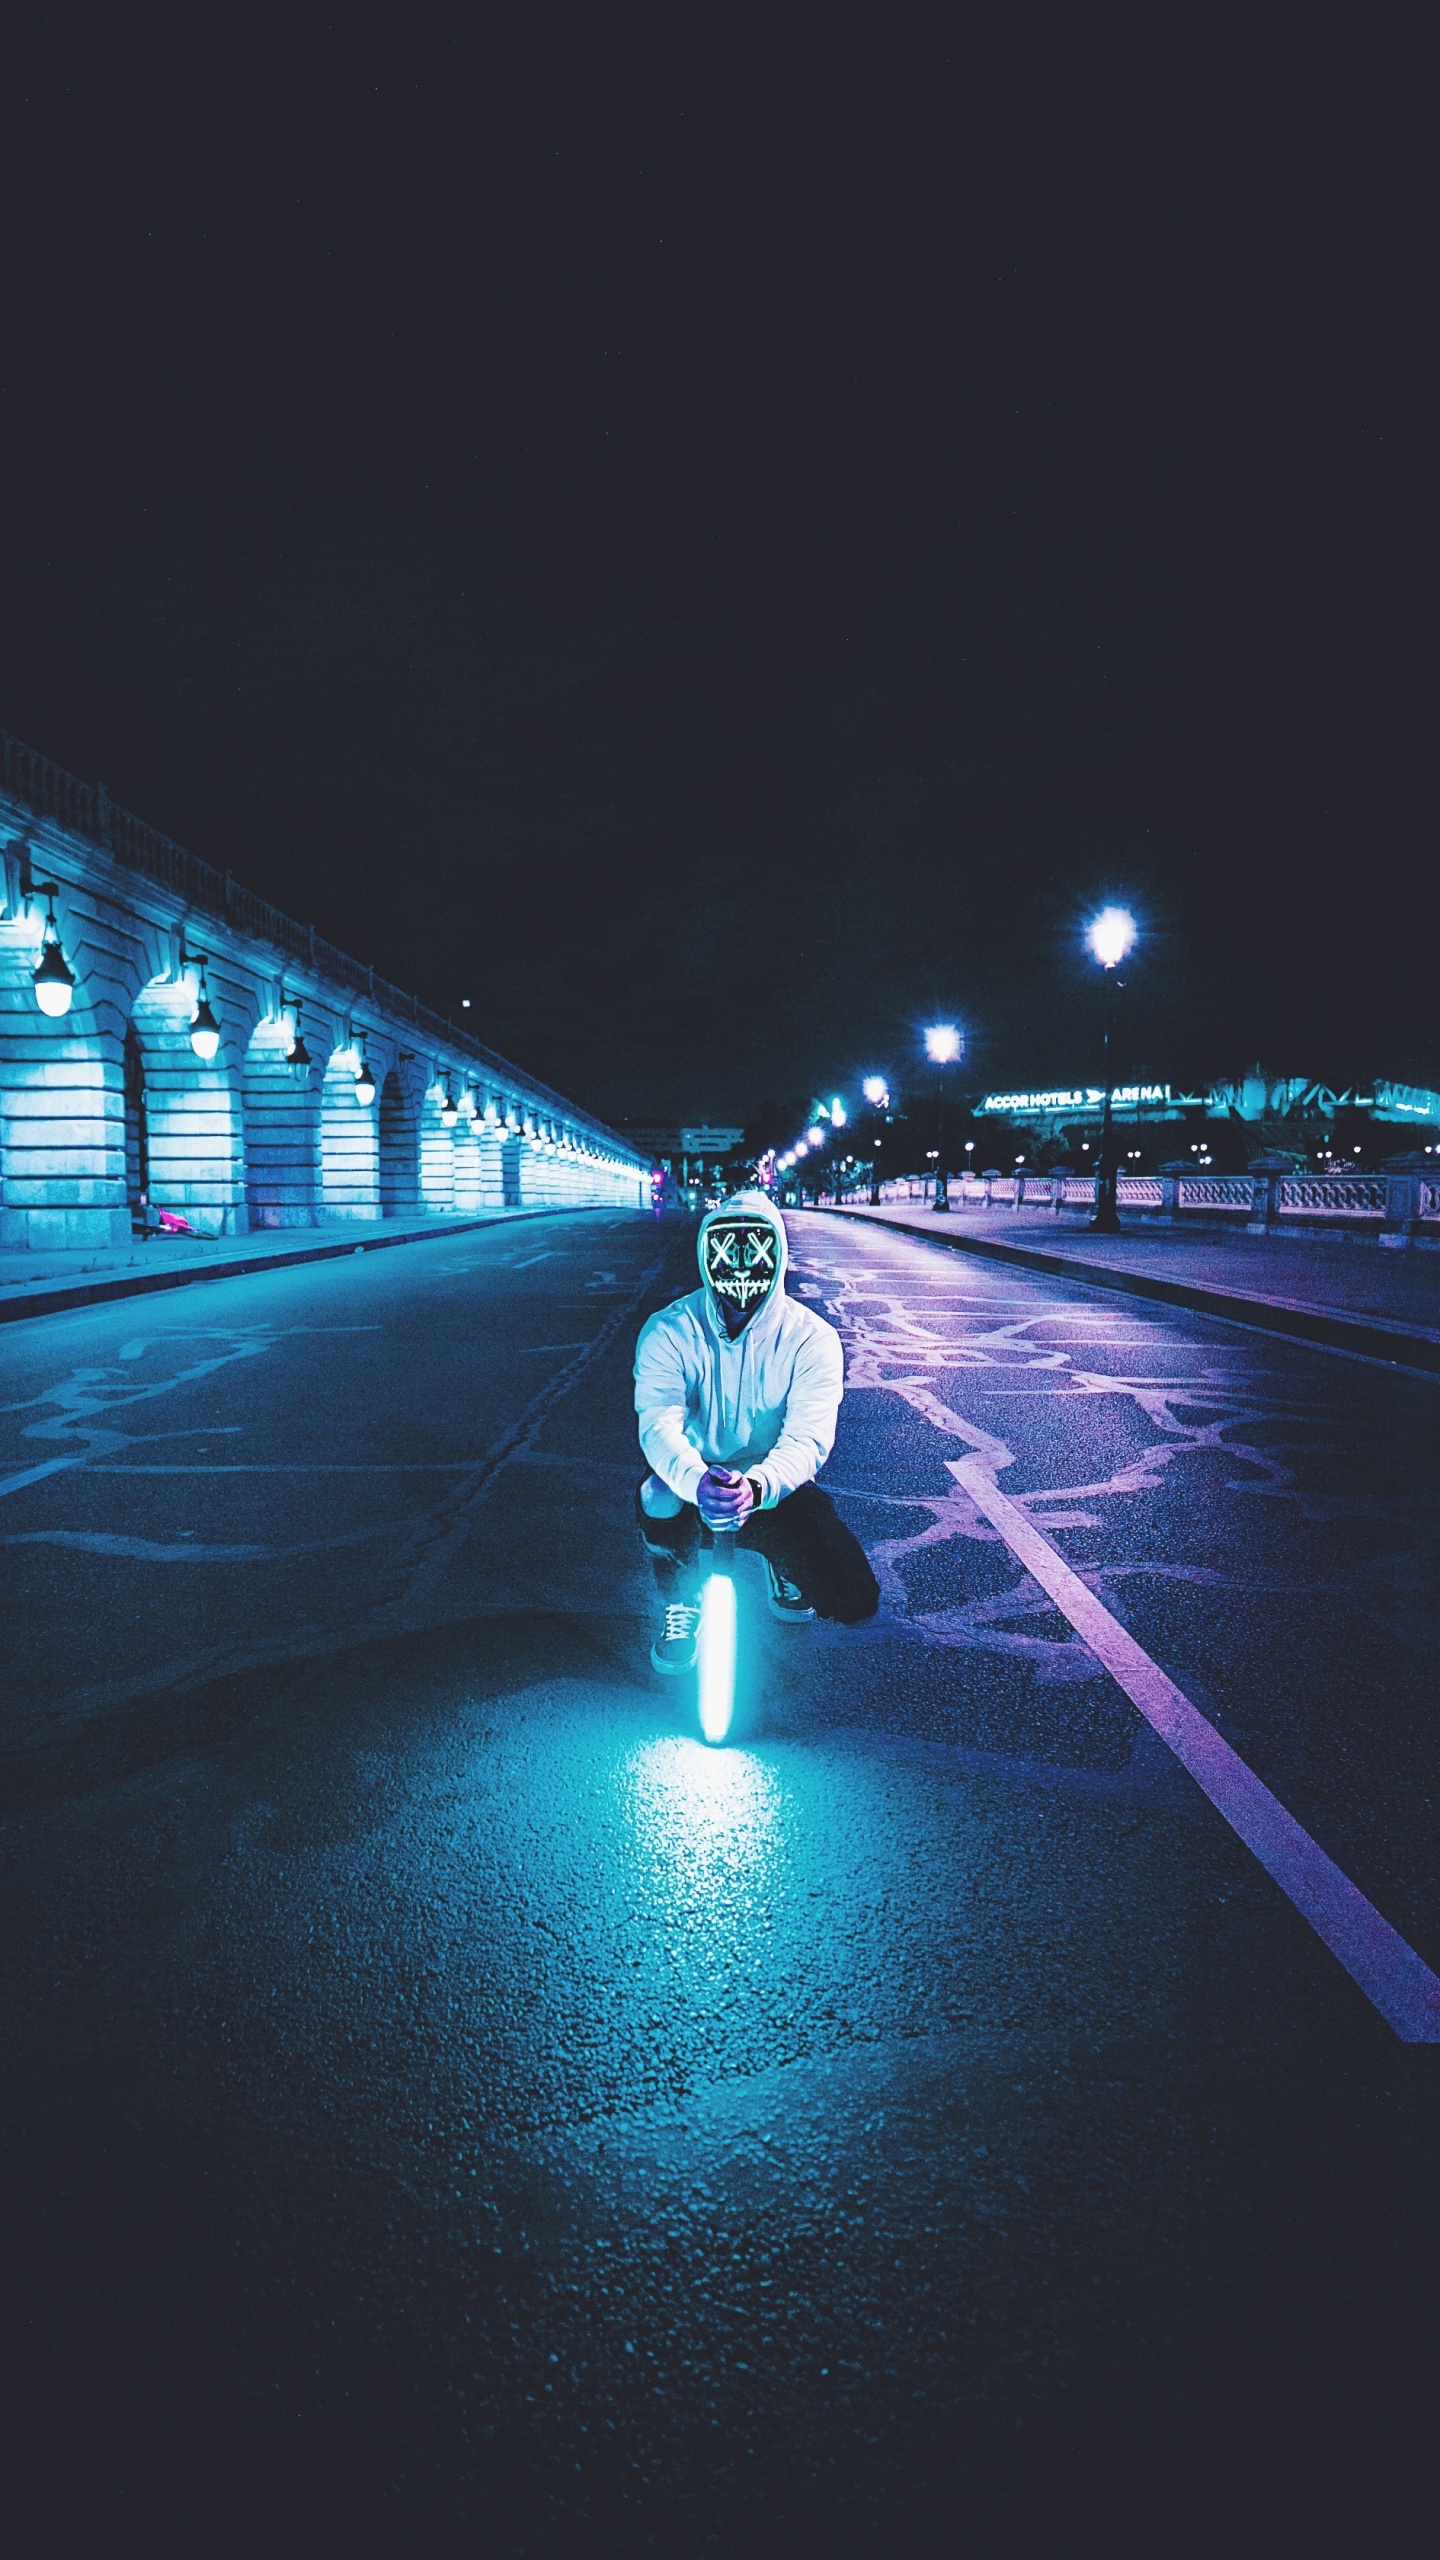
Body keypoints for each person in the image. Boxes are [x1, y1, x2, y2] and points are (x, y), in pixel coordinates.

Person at [633, 1190, 880, 1672]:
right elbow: (657, 1423)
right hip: (694, 1484)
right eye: (728, 1254)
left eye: (756, 1254)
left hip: (770, 1487)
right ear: (707, 1256)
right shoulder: (670, 1330)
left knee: (854, 1598)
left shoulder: (812, 1338)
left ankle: (779, 1561)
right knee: (656, 1494)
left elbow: (807, 1438)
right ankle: (682, 1600)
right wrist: (696, 1481)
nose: (742, 1271)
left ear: (778, 1256)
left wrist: (759, 1487)